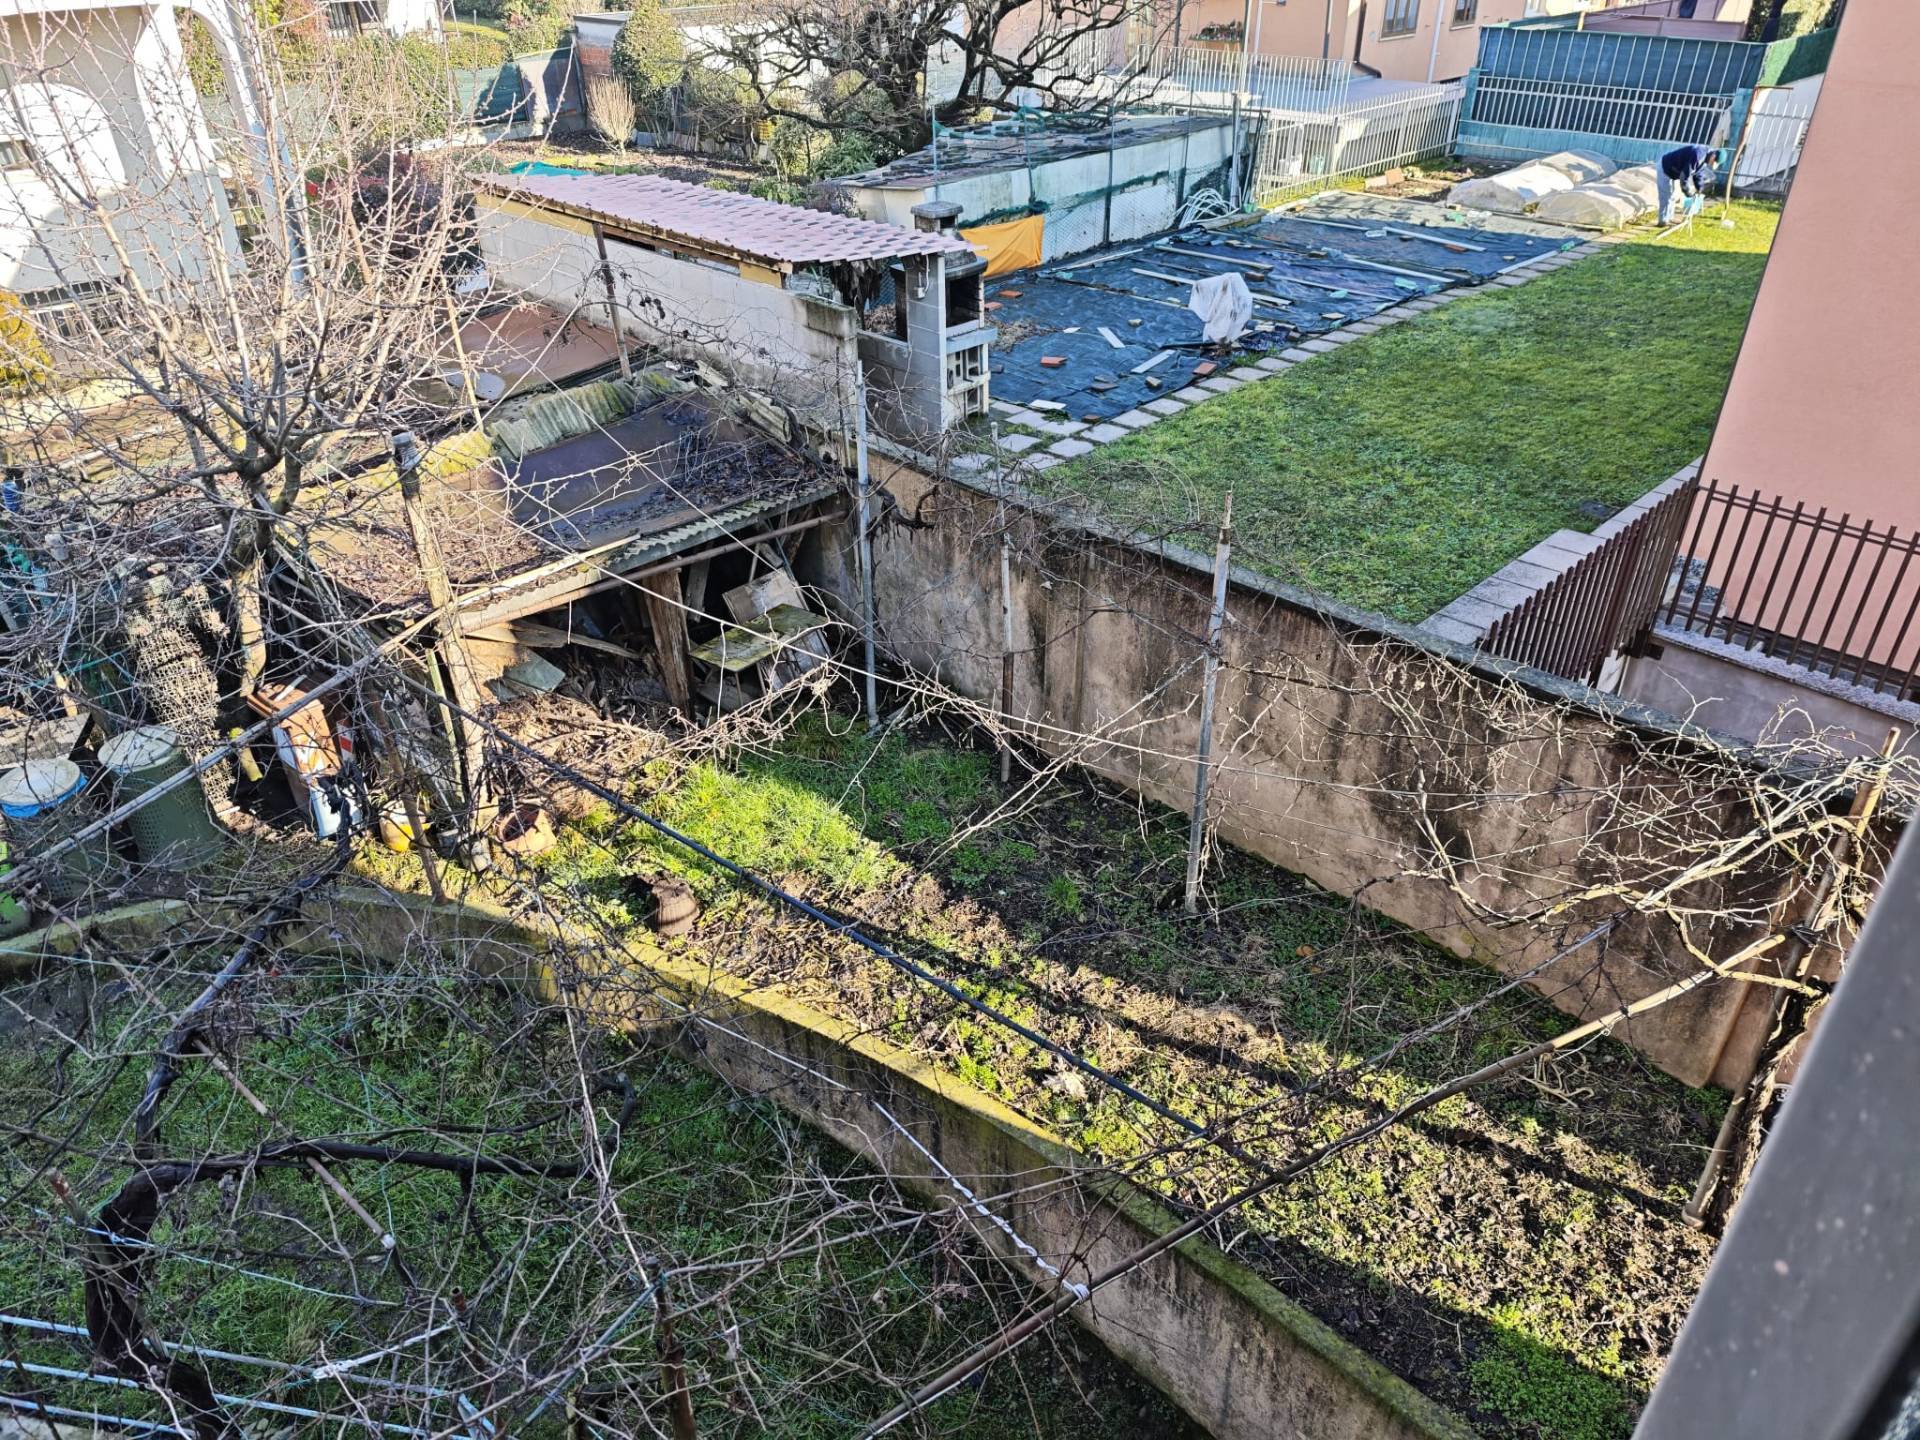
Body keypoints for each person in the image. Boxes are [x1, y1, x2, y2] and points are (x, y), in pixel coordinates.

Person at [1658, 144, 1717, 223]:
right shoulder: (1698, 155)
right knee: (1666, 196)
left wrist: (1700, 188)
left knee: (1672, 196)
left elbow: (1698, 173)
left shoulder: (1706, 156)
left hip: (1675, 171)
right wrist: (1687, 191)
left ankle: (1670, 217)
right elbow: (1685, 176)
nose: (1712, 165)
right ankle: (1663, 220)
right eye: (1713, 162)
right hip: (1665, 167)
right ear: (1713, 156)